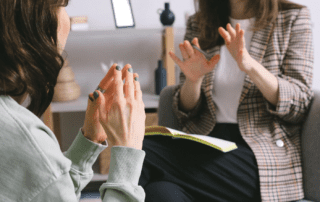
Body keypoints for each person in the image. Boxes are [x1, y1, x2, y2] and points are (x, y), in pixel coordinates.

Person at [138, 0, 313, 201]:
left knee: (140, 149)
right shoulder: (200, 22)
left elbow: (300, 103)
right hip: (205, 144)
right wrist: (194, 80)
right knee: (160, 193)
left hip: (261, 155)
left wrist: (249, 66)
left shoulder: (292, 17)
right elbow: (186, 112)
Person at [0, 0, 146, 201]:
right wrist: (128, 153)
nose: (67, 19)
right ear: (30, 19)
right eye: (62, 6)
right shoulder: (26, 140)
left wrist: (89, 141)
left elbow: (43, 190)